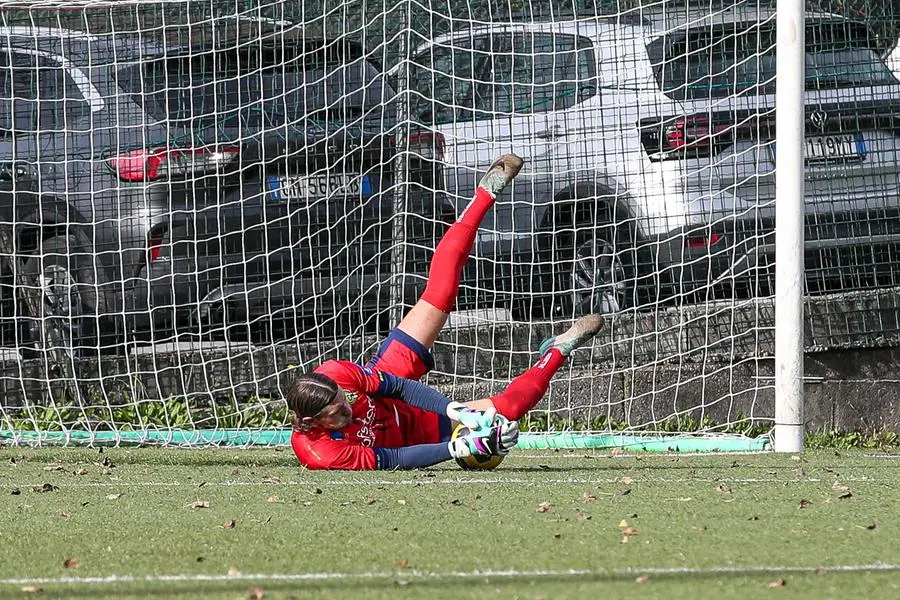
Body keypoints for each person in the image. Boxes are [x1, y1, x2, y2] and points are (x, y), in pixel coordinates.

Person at [284, 154, 605, 470]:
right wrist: (459, 446)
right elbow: (392, 459)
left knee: (440, 292)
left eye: (346, 399)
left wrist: (458, 411)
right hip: (415, 435)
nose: (349, 408)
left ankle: (482, 195)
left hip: (391, 376)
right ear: (314, 422)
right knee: (509, 410)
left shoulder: (336, 374)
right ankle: (559, 350)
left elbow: (397, 387)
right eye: (339, 412)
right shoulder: (320, 452)